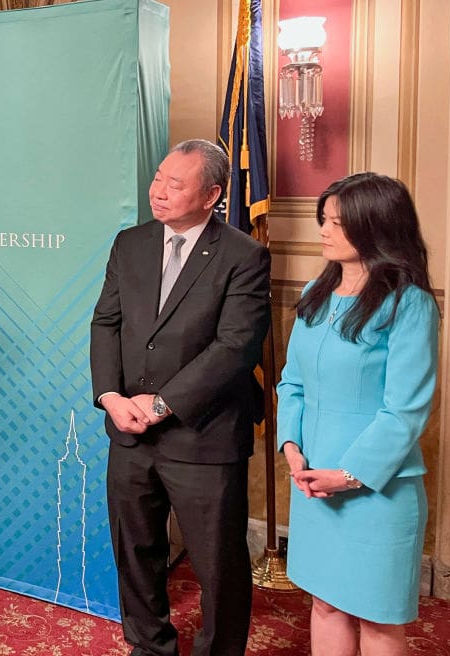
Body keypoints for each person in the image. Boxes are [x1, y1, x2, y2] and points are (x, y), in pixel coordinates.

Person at [90, 139, 271, 656]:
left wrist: (162, 403)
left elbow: (235, 347)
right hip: (127, 431)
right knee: (136, 554)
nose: (159, 192)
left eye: (175, 184)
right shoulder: (130, 243)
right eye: (157, 179)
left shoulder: (244, 254)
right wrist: (108, 395)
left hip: (204, 438)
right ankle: (149, 648)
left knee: (218, 567)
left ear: (212, 193)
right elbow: (107, 322)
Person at [277, 172, 438, 656]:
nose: (323, 231)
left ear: (376, 226)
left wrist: (347, 476)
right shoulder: (315, 293)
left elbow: (405, 412)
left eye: (337, 223)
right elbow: (292, 382)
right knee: (325, 606)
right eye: (323, 220)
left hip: (376, 491)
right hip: (311, 485)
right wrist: (291, 448)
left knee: (378, 621)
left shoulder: (409, 304)